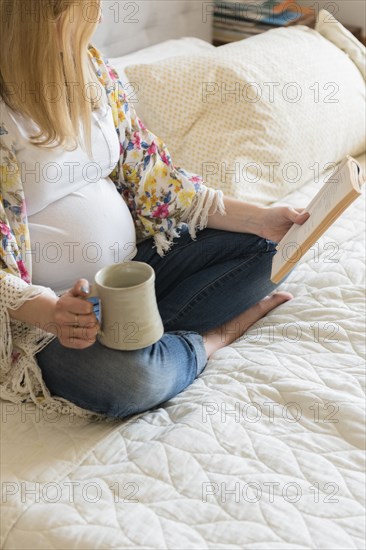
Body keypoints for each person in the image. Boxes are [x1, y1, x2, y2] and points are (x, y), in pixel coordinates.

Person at [0, 0, 309, 420]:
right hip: (49, 317)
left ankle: (147, 337)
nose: (99, 18)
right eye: (85, 9)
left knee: (277, 246)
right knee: (132, 381)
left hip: (135, 274)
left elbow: (156, 179)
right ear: (43, 19)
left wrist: (261, 218)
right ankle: (209, 341)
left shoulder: (87, 66)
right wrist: (50, 313)